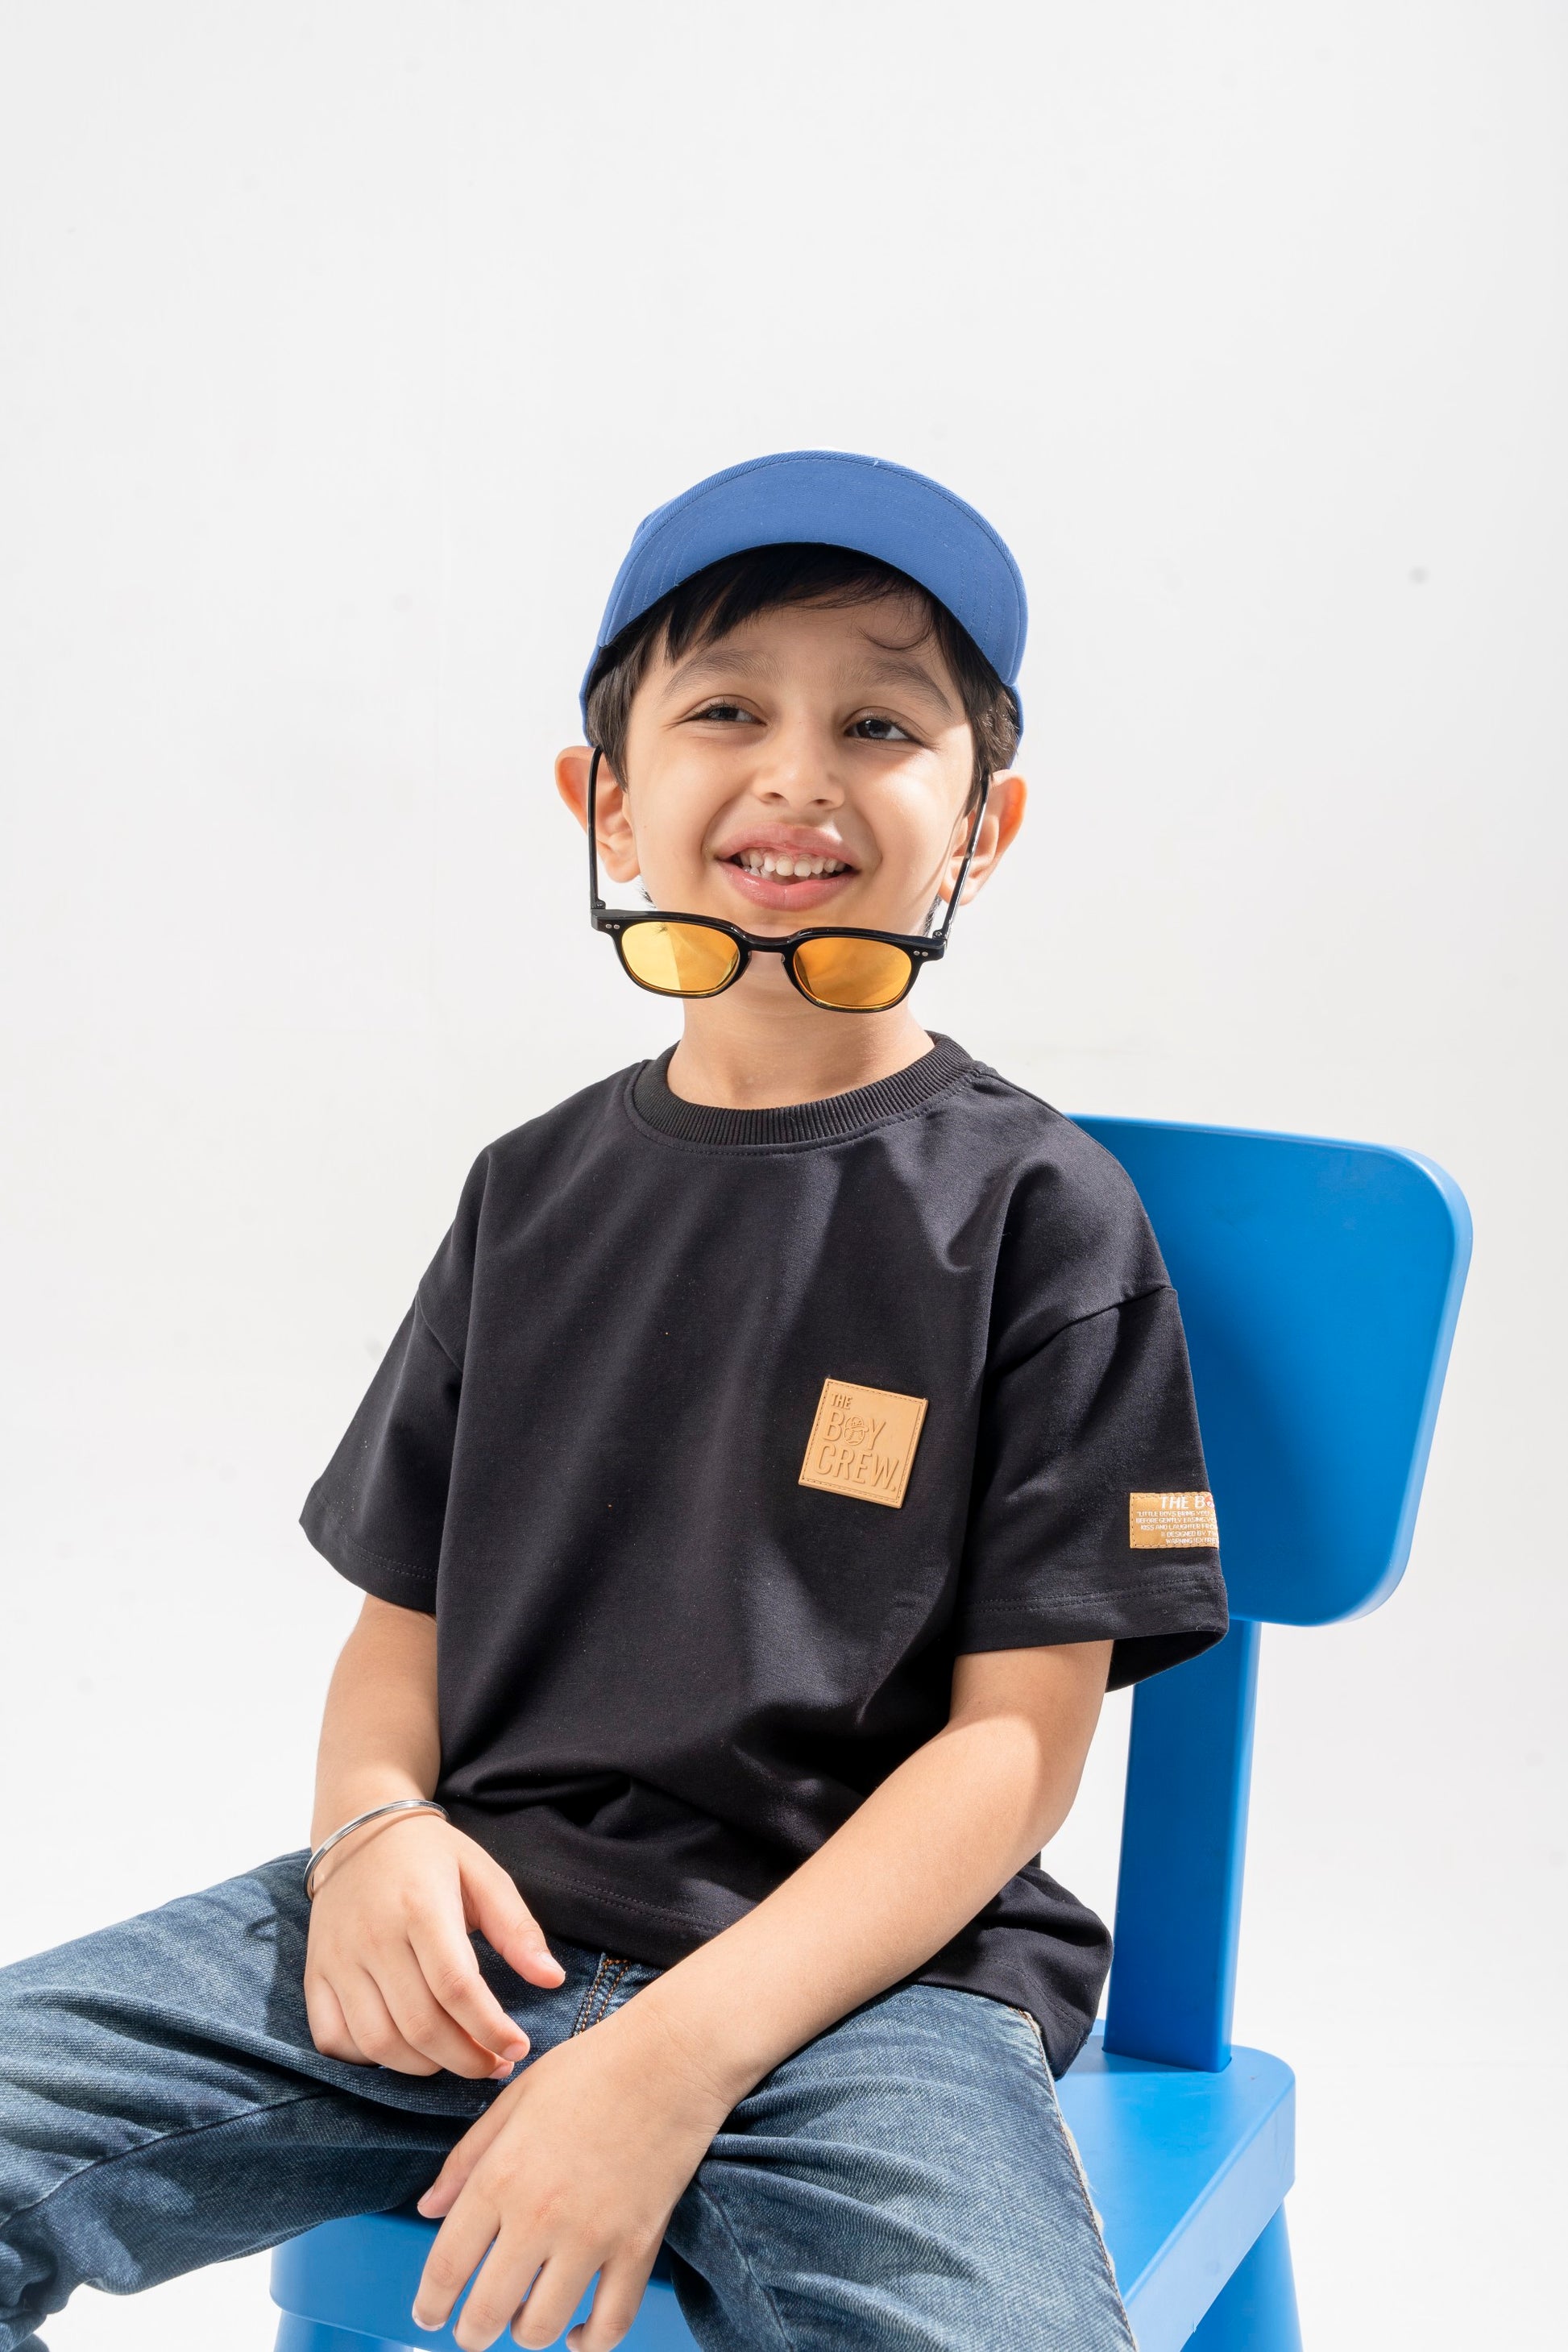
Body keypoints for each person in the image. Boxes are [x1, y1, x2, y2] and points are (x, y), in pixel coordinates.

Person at [0, 451, 1227, 2352]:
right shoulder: (527, 1190)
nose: (797, 774)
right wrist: (371, 1834)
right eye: (726, 709)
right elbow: (397, 1631)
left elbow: (1016, 1748)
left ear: (982, 824)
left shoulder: (1040, 1213)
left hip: (867, 1994)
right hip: (472, 1920)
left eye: (879, 723)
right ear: (608, 800)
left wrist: (669, 2055)